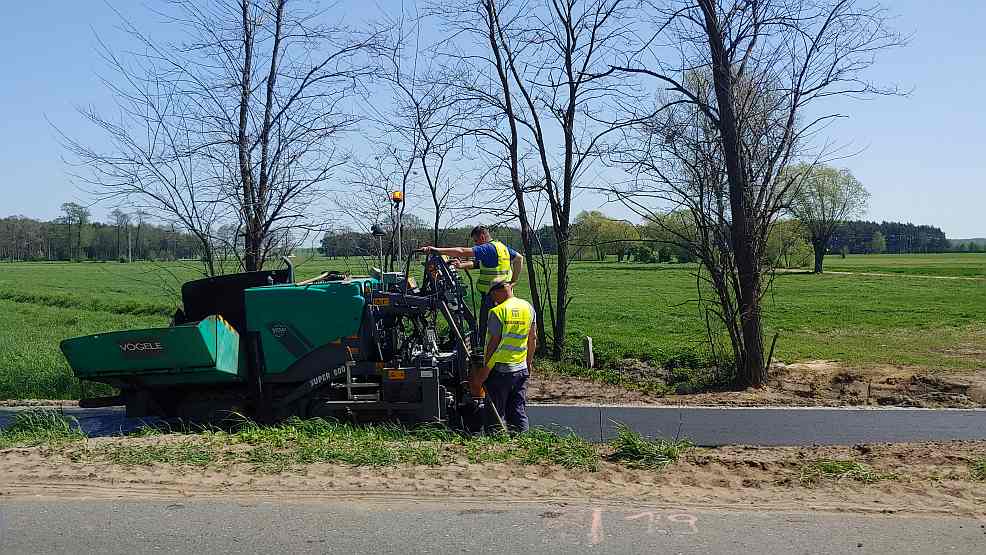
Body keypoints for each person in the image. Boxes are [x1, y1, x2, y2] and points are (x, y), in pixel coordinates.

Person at [418, 226, 523, 350]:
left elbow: (462, 251)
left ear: (482, 237)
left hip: (492, 298)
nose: (476, 244)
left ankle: (483, 356)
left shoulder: (488, 248)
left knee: (487, 330)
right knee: (498, 328)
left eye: (476, 241)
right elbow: (518, 258)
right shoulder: (501, 248)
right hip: (505, 295)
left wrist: (435, 250)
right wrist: (513, 281)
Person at [468, 280, 536, 433]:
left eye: (493, 296)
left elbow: (493, 346)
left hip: (500, 371)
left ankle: (496, 449)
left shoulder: (498, 312)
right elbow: (532, 338)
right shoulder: (528, 308)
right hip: (521, 369)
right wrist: (528, 363)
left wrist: (484, 372)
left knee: (494, 415)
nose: (493, 300)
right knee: (517, 411)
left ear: (496, 292)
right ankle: (522, 444)